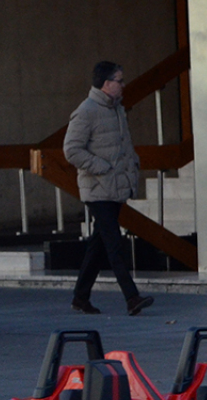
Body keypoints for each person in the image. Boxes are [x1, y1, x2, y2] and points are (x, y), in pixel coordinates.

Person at [64, 61, 154, 317]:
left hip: (114, 187)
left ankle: (80, 298)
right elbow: (71, 150)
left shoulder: (117, 110)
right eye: (119, 80)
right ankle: (132, 297)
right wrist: (101, 167)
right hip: (97, 188)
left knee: (99, 245)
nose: (123, 85)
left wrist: (130, 168)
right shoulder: (86, 111)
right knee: (114, 243)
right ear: (106, 84)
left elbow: (124, 147)